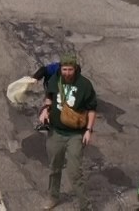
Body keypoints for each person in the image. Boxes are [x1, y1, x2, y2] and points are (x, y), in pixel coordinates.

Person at [39, 52, 97, 211]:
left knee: (75, 173)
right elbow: (49, 97)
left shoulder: (85, 85)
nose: (67, 73)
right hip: (56, 132)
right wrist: (45, 109)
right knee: (54, 168)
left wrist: (88, 130)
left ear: (75, 68)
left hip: (75, 135)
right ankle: (53, 197)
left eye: (70, 69)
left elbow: (92, 109)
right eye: (64, 69)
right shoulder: (55, 79)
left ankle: (85, 206)